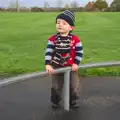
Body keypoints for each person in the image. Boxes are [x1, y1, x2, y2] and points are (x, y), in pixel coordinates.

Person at [45, 10, 83, 108]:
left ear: (71, 27)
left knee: (74, 85)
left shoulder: (75, 40)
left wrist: (76, 63)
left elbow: (79, 52)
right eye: (58, 23)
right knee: (56, 86)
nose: (60, 25)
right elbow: (48, 52)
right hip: (57, 68)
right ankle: (55, 101)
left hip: (71, 68)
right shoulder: (52, 39)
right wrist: (48, 64)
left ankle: (73, 101)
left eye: (64, 23)